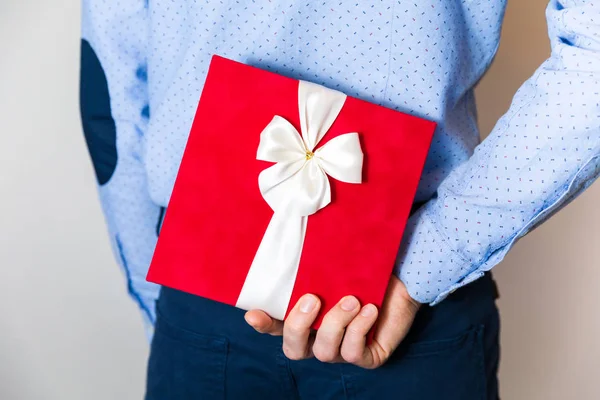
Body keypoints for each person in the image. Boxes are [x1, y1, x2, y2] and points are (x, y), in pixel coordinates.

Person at [79, 1, 599, 399]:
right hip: (409, 299)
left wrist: (165, 302)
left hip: (250, 304)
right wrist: (431, 260)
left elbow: (114, 84)